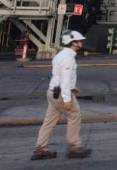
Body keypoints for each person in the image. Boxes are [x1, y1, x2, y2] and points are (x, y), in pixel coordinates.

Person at [31, 30, 92, 160]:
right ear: (73, 43)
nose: (81, 43)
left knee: (49, 121)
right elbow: (64, 79)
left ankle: (40, 148)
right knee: (75, 115)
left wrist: (72, 87)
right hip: (60, 94)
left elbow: (59, 76)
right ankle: (74, 147)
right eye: (79, 41)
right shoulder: (68, 58)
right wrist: (67, 99)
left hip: (52, 92)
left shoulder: (60, 55)